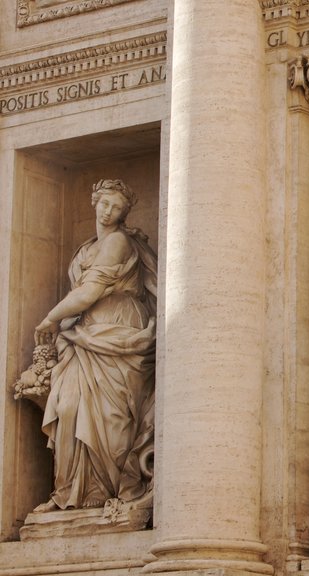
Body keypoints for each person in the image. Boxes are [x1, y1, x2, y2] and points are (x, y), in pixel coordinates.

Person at [32, 179, 157, 512]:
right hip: (84, 334)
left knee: (111, 417)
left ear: (124, 213)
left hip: (116, 330)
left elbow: (88, 294)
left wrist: (50, 319)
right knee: (69, 405)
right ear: (94, 202)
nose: (109, 212)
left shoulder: (118, 242)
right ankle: (70, 492)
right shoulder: (86, 247)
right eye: (105, 204)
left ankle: (106, 491)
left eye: (117, 208)